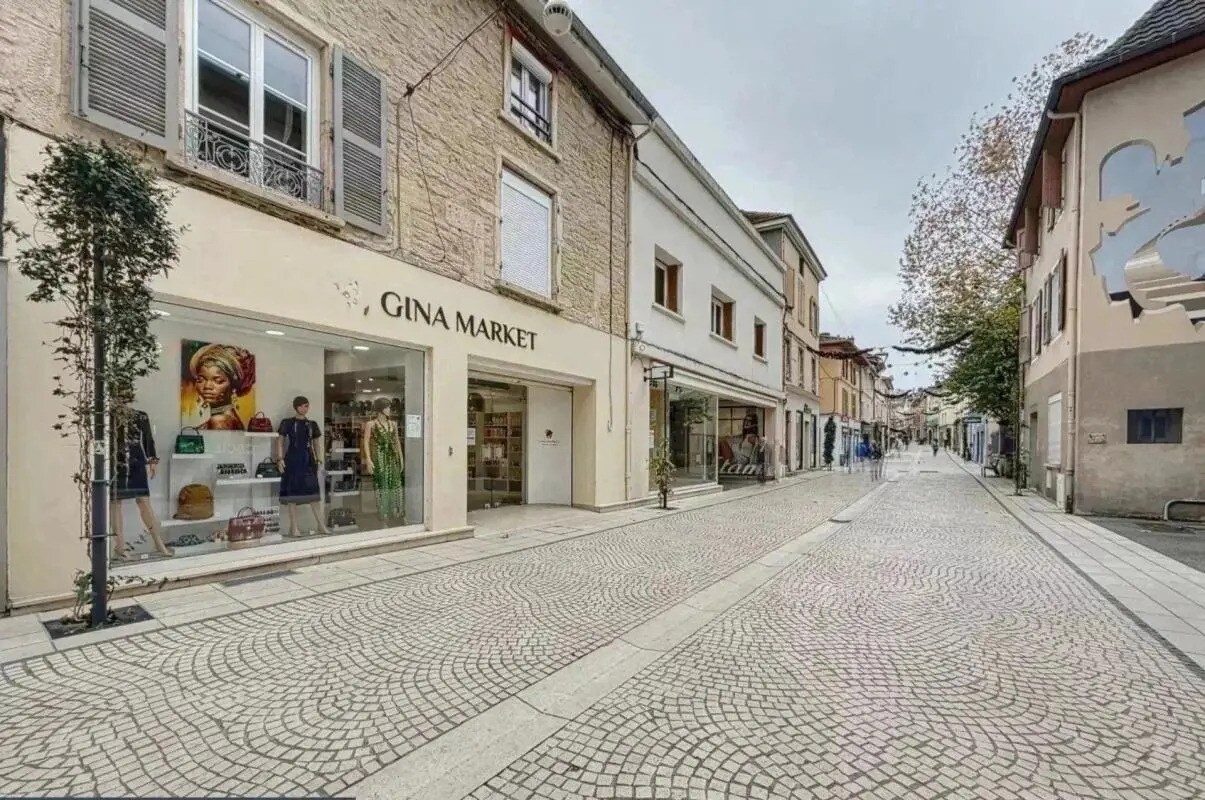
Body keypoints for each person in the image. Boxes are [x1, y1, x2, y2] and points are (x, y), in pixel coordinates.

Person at [188, 343, 254, 430]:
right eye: (201, 380)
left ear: (233, 385)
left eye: (218, 381)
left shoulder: (219, 421)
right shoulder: (226, 418)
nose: (207, 386)